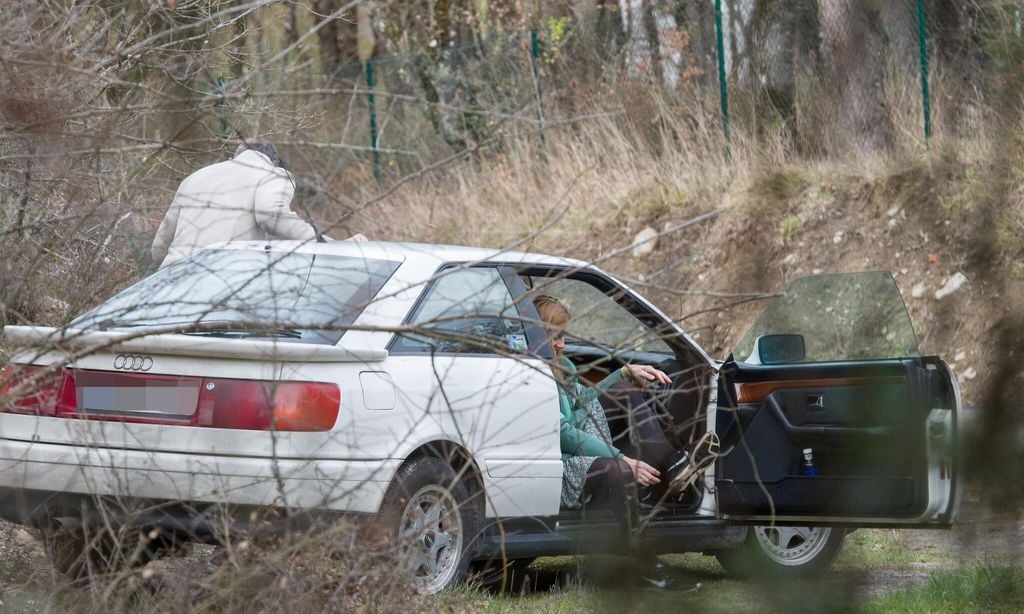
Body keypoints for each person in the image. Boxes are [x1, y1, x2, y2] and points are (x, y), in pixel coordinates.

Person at [533, 295, 675, 587]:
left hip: (578, 440)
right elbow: (565, 436)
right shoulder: (535, 373)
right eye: (555, 337)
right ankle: (647, 564)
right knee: (620, 469)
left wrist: (623, 372)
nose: (561, 345)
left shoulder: (563, 365)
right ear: (536, 335)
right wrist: (621, 457)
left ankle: (671, 465)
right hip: (564, 463)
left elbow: (581, 404)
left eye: (563, 337)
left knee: (625, 388)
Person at [151, 141, 363, 268]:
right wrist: (331, 247)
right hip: (221, 278)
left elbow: (159, 247)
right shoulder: (272, 174)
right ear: (273, 160)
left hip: (172, 278)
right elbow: (273, 217)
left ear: (235, 156)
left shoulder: (195, 178)